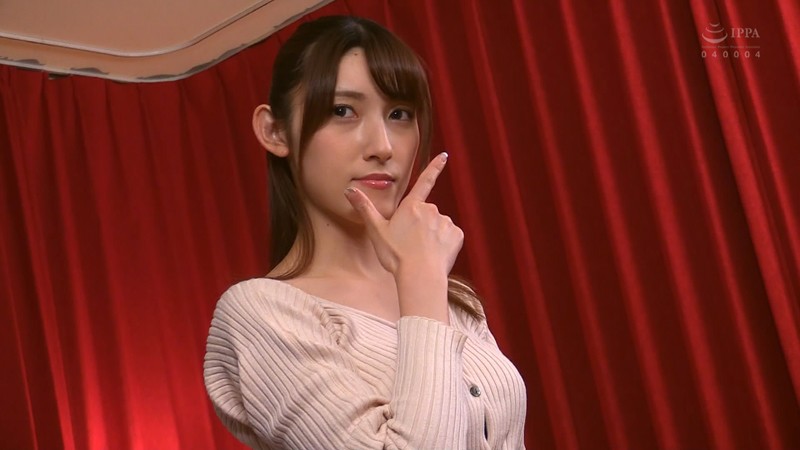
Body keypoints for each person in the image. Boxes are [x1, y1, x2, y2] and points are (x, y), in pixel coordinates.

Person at [204, 15, 527, 449]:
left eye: (399, 114)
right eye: (342, 111)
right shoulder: (260, 313)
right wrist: (422, 283)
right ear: (275, 131)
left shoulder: (450, 295)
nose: (383, 146)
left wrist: (425, 280)